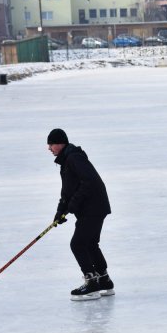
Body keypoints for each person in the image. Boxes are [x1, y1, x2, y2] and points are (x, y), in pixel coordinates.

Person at [48, 128, 113, 300]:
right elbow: (67, 191)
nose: (49, 148)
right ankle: (104, 280)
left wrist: (72, 205)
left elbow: (89, 182)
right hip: (94, 207)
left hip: (93, 207)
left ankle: (91, 283)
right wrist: (60, 211)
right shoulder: (66, 160)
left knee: (77, 244)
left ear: (60, 143)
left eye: (51, 144)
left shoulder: (74, 158)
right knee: (90, 243)